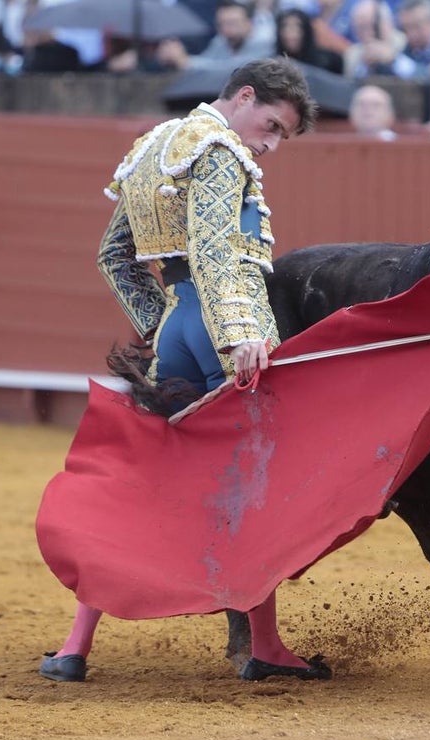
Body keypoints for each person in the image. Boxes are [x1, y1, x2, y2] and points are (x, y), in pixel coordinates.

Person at [39, 58, 328, 684]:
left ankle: (74, 647)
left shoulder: (152, 148)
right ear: (244, 96)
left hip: (177, 330)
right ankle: (266, 646)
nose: (271, 146)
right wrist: (238, 333)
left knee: (148, 484)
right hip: (230, 332)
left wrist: (162, 323)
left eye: (282, 137)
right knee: (253, 491)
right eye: (271, 127)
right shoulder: (218, 149)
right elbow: (216, 250)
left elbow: (114, 257)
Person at [276, 7, 343, 73]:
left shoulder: (329, 61)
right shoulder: (274, 65)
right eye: (285, 26)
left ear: (306, 30)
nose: (291, 32)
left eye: (297, 26)